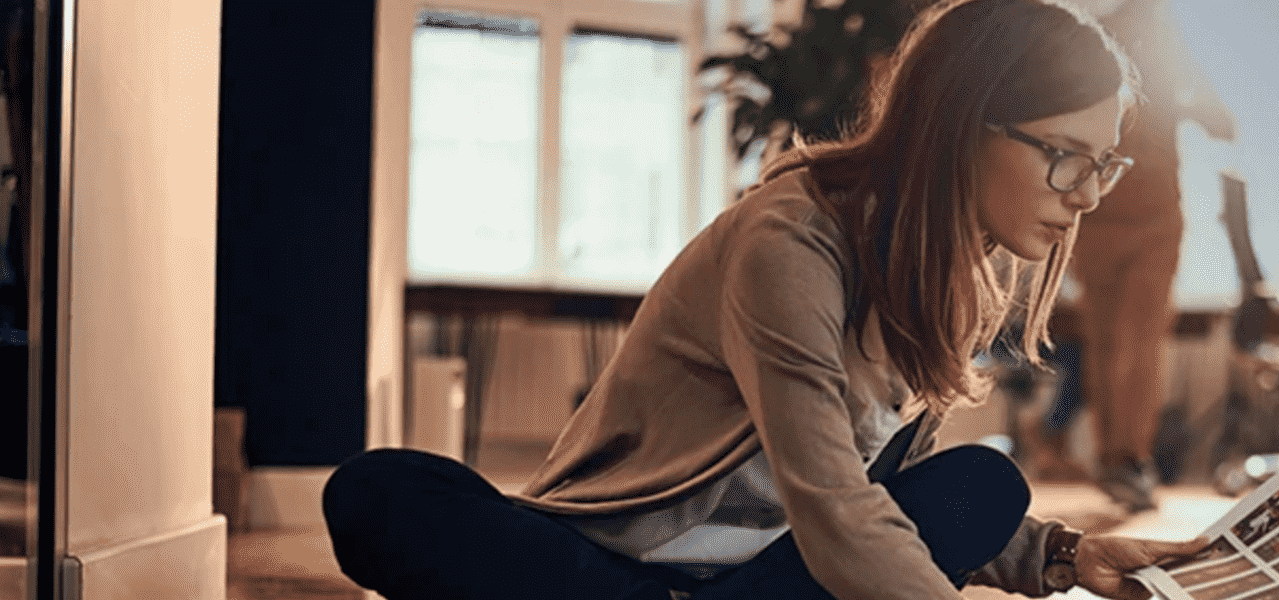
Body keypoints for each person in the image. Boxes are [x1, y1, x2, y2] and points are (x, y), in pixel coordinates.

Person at [322, 1, 1211, 598]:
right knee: (379, 491)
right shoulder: (792, 238)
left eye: (1105, 162)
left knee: (986, 484)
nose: (1089, 192)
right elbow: (833, 503)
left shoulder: (958, 268)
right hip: (624, 564)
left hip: (769, 576)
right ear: (961, 124)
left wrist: (1065, 557)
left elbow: (878, 491)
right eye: (1066, 155)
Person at [1017, 0, 1236, 514]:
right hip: (1106, 214)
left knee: (1122, 341)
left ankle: (1124, 461)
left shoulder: (1140, 42)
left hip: (1126, 216)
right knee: (1123, 341)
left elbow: (1218, 120)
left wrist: (1181, 105)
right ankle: (1124, 461)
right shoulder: (1116, 42)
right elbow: (1221, 122)